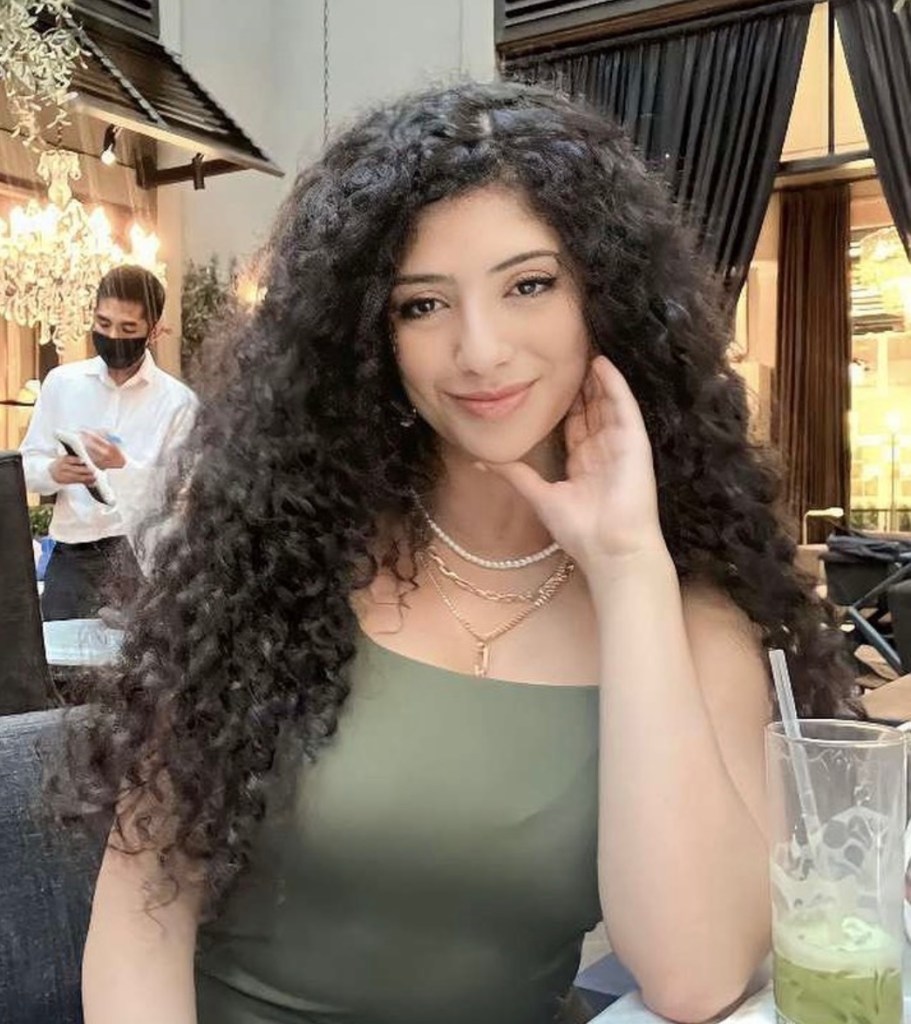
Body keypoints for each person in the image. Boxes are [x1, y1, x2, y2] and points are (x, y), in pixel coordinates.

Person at [65, 82, 854, 1024]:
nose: (479, 351)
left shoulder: (689, 614)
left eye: (529, 285)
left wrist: (626, 567)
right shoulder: (269, 558)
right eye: (422, 305)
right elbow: (140, 923)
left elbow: (694, 978)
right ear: (370, 335)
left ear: (605, 296)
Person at [20, 265, 196, 621]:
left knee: (140, 656)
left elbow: (181, 497)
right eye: (104, 323)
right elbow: (25, 466)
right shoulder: (62, 384)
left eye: (128, 328)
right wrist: (53, 471)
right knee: (54, 654)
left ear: (154, 331)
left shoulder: (178, 403)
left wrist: (122, 466)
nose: (113, 336)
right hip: (70, 558)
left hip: (139, 559)